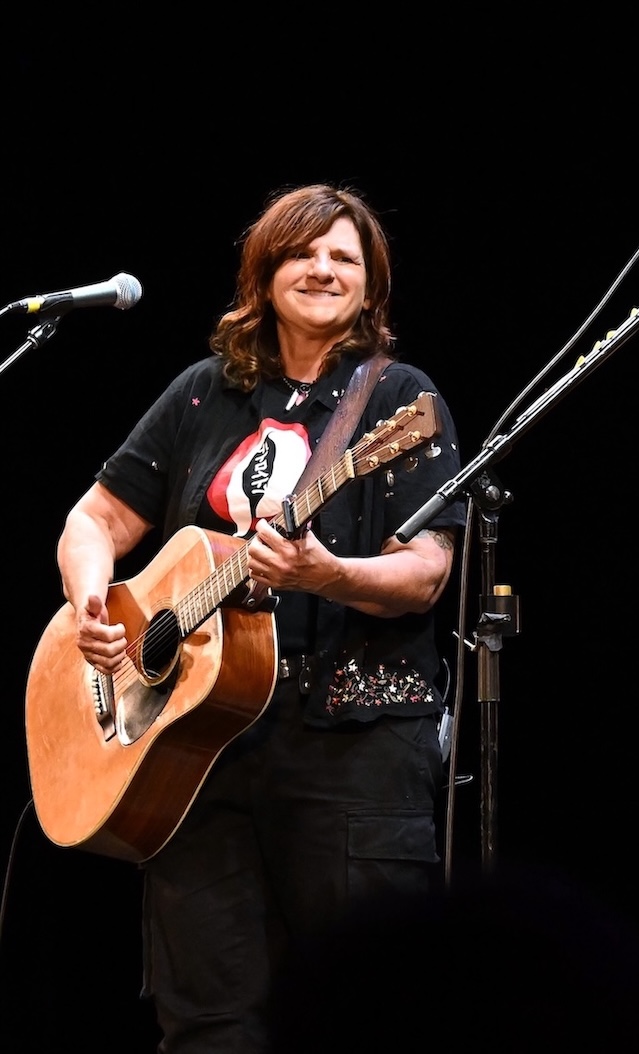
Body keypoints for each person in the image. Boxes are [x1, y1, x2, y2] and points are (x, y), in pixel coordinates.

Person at [54, 183, 466, 1052]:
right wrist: (97, 600)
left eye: (344, 257)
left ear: (371, 286)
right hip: (197, 759)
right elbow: (95, 518)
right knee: (208, 1024)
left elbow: (427, 574)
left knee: (366, 1014)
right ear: (264, 270)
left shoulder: (399, 401)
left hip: (353, 753)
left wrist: (327, 571)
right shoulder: (204, 394)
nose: (322, 268)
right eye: (303, 251)